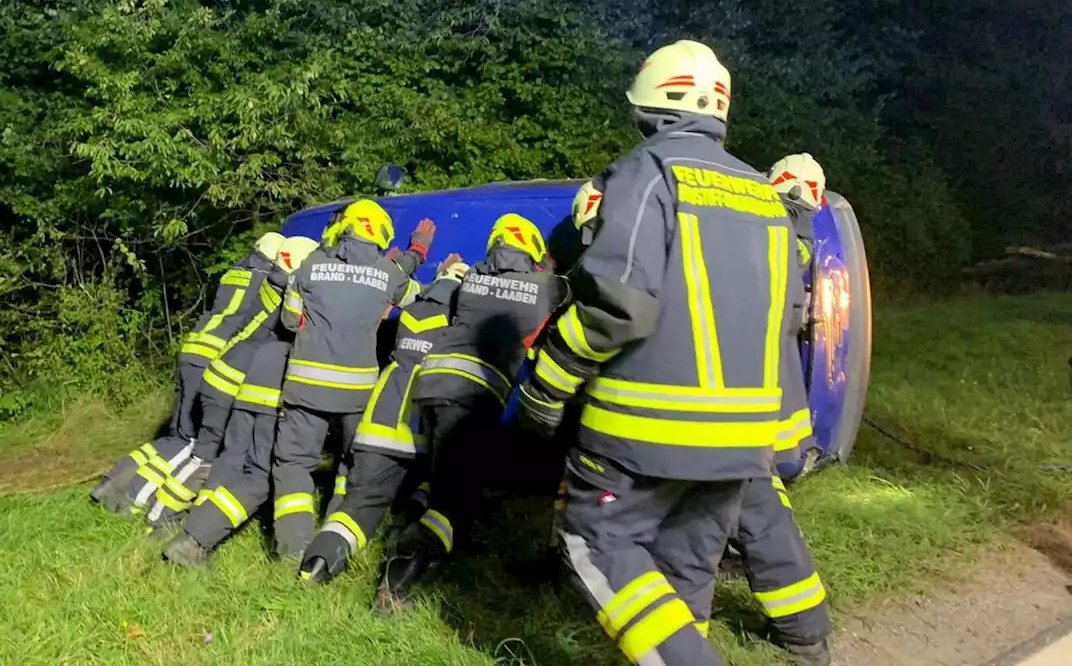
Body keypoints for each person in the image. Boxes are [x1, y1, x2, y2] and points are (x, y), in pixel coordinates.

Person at [516, 39, 798, 666]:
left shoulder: (647, 174)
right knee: (683, 573)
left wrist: (547, 385)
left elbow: (619, 306)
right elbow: (788, 321)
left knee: (593, 542)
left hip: (642, 436)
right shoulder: (764, 195)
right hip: (740, 444)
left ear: (648, 105)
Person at [373, 213, 567, 613]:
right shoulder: (545, 286)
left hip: (432, 383)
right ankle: (398, 578)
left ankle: (414, 512)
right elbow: (567, 293)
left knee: (450, 470)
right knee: (451, 502)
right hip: (474, 396)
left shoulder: (472, 281)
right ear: (530, 249)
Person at [269, 199, 434, 561]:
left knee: (295, 463)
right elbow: (410, 294)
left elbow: (289, 320)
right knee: (349, 464)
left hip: (306, 388)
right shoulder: (386, 273)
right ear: (379, 234)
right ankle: (331, 542)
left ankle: (293, 549)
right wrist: (414, 253)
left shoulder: (311, 264)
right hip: (357, 393)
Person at [298, 256, 470, 584]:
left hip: (379, 420)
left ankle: (313, 571)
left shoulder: (415, 309)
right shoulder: (462, 318)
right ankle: (403, 558)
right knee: (441, 493)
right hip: (421, 427)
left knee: (361, 505)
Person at [92, 231, 285, 515]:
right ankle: (136, 500)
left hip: (194, 347)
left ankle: (113, 484)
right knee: (190, 443)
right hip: (215, 356)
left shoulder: (235, 272)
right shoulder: (266, 282)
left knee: (174, 437)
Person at [161, 237, 320, 566]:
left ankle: (192, 523)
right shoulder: (299, 292)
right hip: (270, 385)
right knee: (262, 473)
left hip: (245, 378)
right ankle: (199, 542)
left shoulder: (267, 282)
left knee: (232, 458)